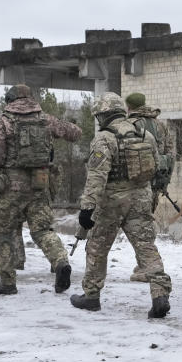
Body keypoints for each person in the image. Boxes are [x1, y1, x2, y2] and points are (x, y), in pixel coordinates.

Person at [70, 93, 172, 317]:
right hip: (141, 198)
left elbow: (97, 176)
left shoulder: (104, 138)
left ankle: (91, 296)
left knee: (97, 247)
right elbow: (156, 165)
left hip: (112, 202)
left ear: (104, 115)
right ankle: (160, 294)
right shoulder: (145, 134)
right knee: (146, 247)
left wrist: (87, 208)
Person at [0, 84, 81, 295]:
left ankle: (7, 283)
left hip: (10, 187)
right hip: (39, 184)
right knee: (42, 230)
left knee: (3, 234)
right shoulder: (45, 119)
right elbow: (75, 133)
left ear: (10, 98)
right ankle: (60, 262)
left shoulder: (4, 122)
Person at [125, 92, 175, 283]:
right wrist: (164, 182)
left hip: (137, 183)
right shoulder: (160, 125)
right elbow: (170, 154)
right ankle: (144, 264)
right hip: (156, 182)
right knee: (145, 223)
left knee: (139, 226)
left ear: (129, 107)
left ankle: (147, 266)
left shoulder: (131, 125)